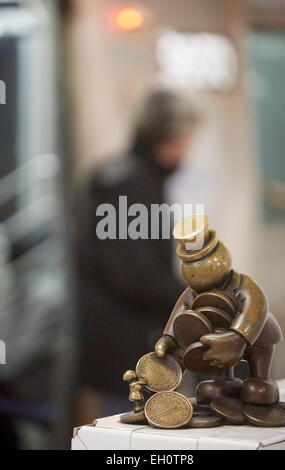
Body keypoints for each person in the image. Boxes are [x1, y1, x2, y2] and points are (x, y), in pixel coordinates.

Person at [75, 89, 201, 417]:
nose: (190, 147)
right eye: (188, 136)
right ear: (171, 136)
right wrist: (196, 297)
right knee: (132, 437)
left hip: (118, 340)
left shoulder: (121, 176)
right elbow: (133, 276)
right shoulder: (133, 184)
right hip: (129, 347)